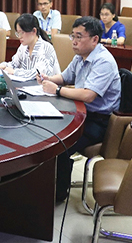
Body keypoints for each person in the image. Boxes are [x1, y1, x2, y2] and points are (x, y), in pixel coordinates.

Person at [38, 16, 121, 202]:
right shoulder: (81, 56)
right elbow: (65, 77)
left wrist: (57, 90)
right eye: (72, 36)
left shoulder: (104, 61)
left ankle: (58, 194)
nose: (74, 41)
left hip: (99, 121)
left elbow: (88, 95)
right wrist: (47, 79)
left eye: (79, 36)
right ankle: (44, 184)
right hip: (80, 114)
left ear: (94, 39)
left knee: (59, 144)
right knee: (45, 132)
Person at [0, 13, 60, 80]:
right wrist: (3, 66)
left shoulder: (46, 48)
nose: (19, 37)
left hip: (47, 85)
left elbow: (37, 74)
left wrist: (14, 72)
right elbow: (14, 64)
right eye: (18, 33)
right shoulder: (23, 46)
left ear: (34, 31)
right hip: (29, 85)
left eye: (22, 33)